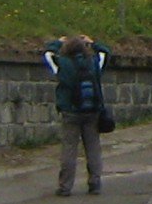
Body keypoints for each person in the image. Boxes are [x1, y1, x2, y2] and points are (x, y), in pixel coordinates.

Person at [43, 33, 112, 195]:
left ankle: (65, 186)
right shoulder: (93, 63)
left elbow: (47, 55)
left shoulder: (62, 64)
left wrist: (57, 43)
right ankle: (95, 183)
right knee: (93, 147)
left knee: (69, 148)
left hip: (70, 112)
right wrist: (93, 42)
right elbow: (105, 53)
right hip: (92, 111)